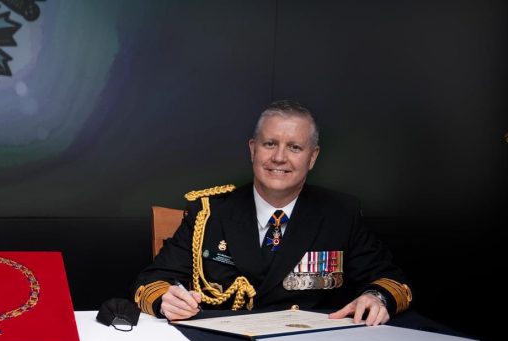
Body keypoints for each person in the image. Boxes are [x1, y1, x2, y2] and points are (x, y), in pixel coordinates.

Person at [134, 100, 411, 326]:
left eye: (294, 147)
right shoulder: (209, 213)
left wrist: (376, 298)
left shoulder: (339, 214)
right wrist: (165, 301)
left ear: (312, 157)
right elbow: (151, 282)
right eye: (270, 144)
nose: (279, 157)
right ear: (253, 149)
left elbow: (391, 280)